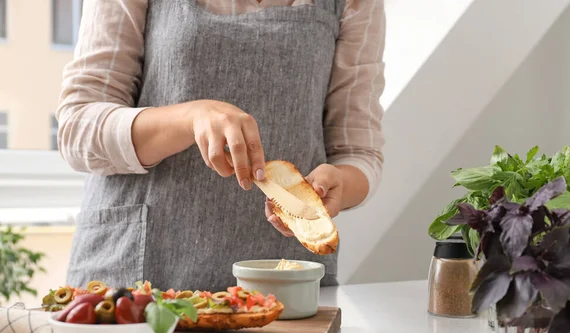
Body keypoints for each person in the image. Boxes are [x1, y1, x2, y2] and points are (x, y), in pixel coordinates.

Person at [56, 0, 386, 292]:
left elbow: (358, 152)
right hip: (132, 276)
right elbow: (77, 130)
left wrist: (339, 184)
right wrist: (188, 118)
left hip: (283, 287)